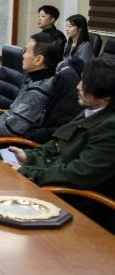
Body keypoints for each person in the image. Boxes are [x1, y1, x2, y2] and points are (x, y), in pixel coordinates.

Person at [7, 58, 115, 228]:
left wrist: (28, 172)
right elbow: (59, 143)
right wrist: (28, 156)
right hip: (54, 186)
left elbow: (79, 175)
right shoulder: (92, 110)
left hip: (76, 203)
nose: (78, 86)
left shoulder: (110, 126)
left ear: (106, 96)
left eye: (86, 84)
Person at [0, 33, 63, 143]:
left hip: (16, 144)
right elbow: (11, 113)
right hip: (5, 137)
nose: (23, 55)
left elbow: (13, 127)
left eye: (27, 51)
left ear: (38, 60)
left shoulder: (37, 92)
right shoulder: (35, 79)